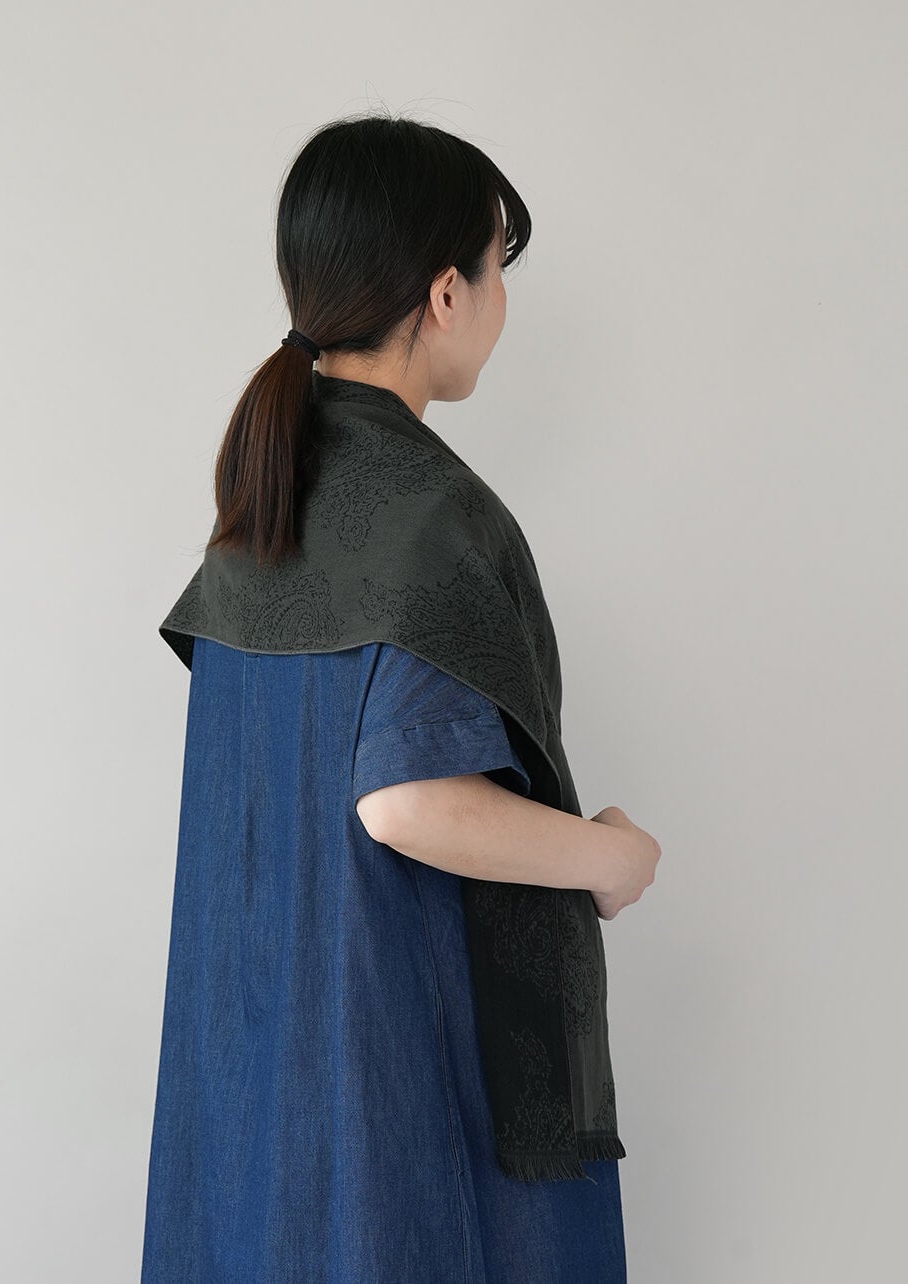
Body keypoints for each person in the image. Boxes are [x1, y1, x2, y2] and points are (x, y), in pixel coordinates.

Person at [141, 113, 661, 1283]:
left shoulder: (258, 512)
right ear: (443, 294)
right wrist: (605, 857)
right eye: (495, 268)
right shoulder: (429, 516)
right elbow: (406, 804)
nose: (500, 302)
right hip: (402, 1101)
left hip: (260, 1101)